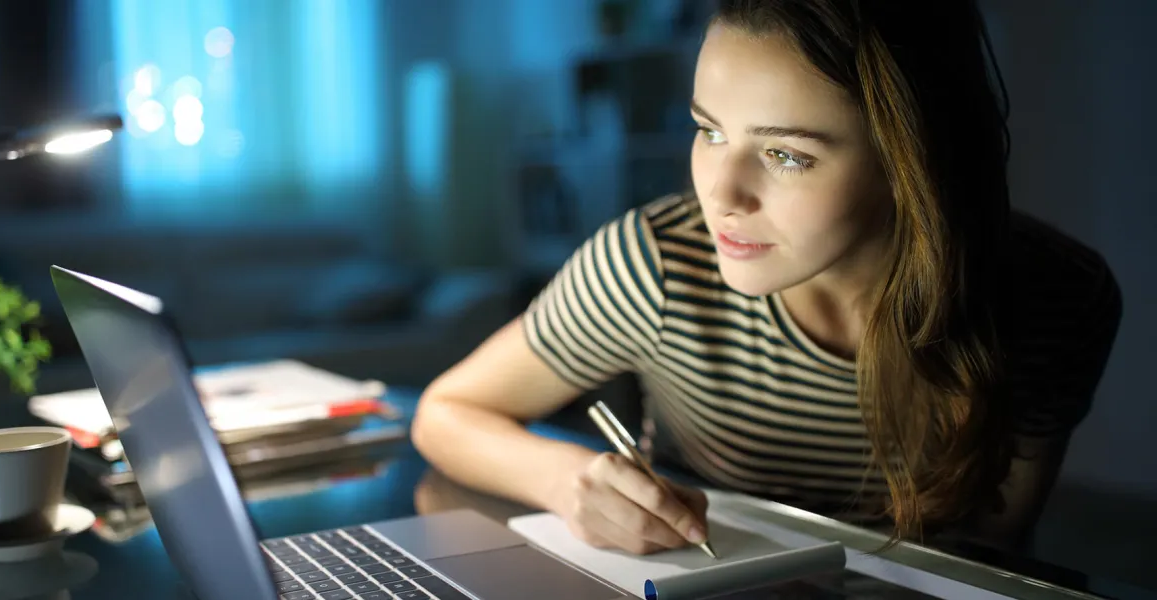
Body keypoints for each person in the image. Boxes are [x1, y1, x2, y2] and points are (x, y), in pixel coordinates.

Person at [411, 0, 1122, 556]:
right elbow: (444, 413)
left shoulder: (1054, 298)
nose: (722, 194)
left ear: (912, 166)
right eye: (710, 131)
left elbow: (989, 551)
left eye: (785, 155)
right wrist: (568, 483)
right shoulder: (654, 265)